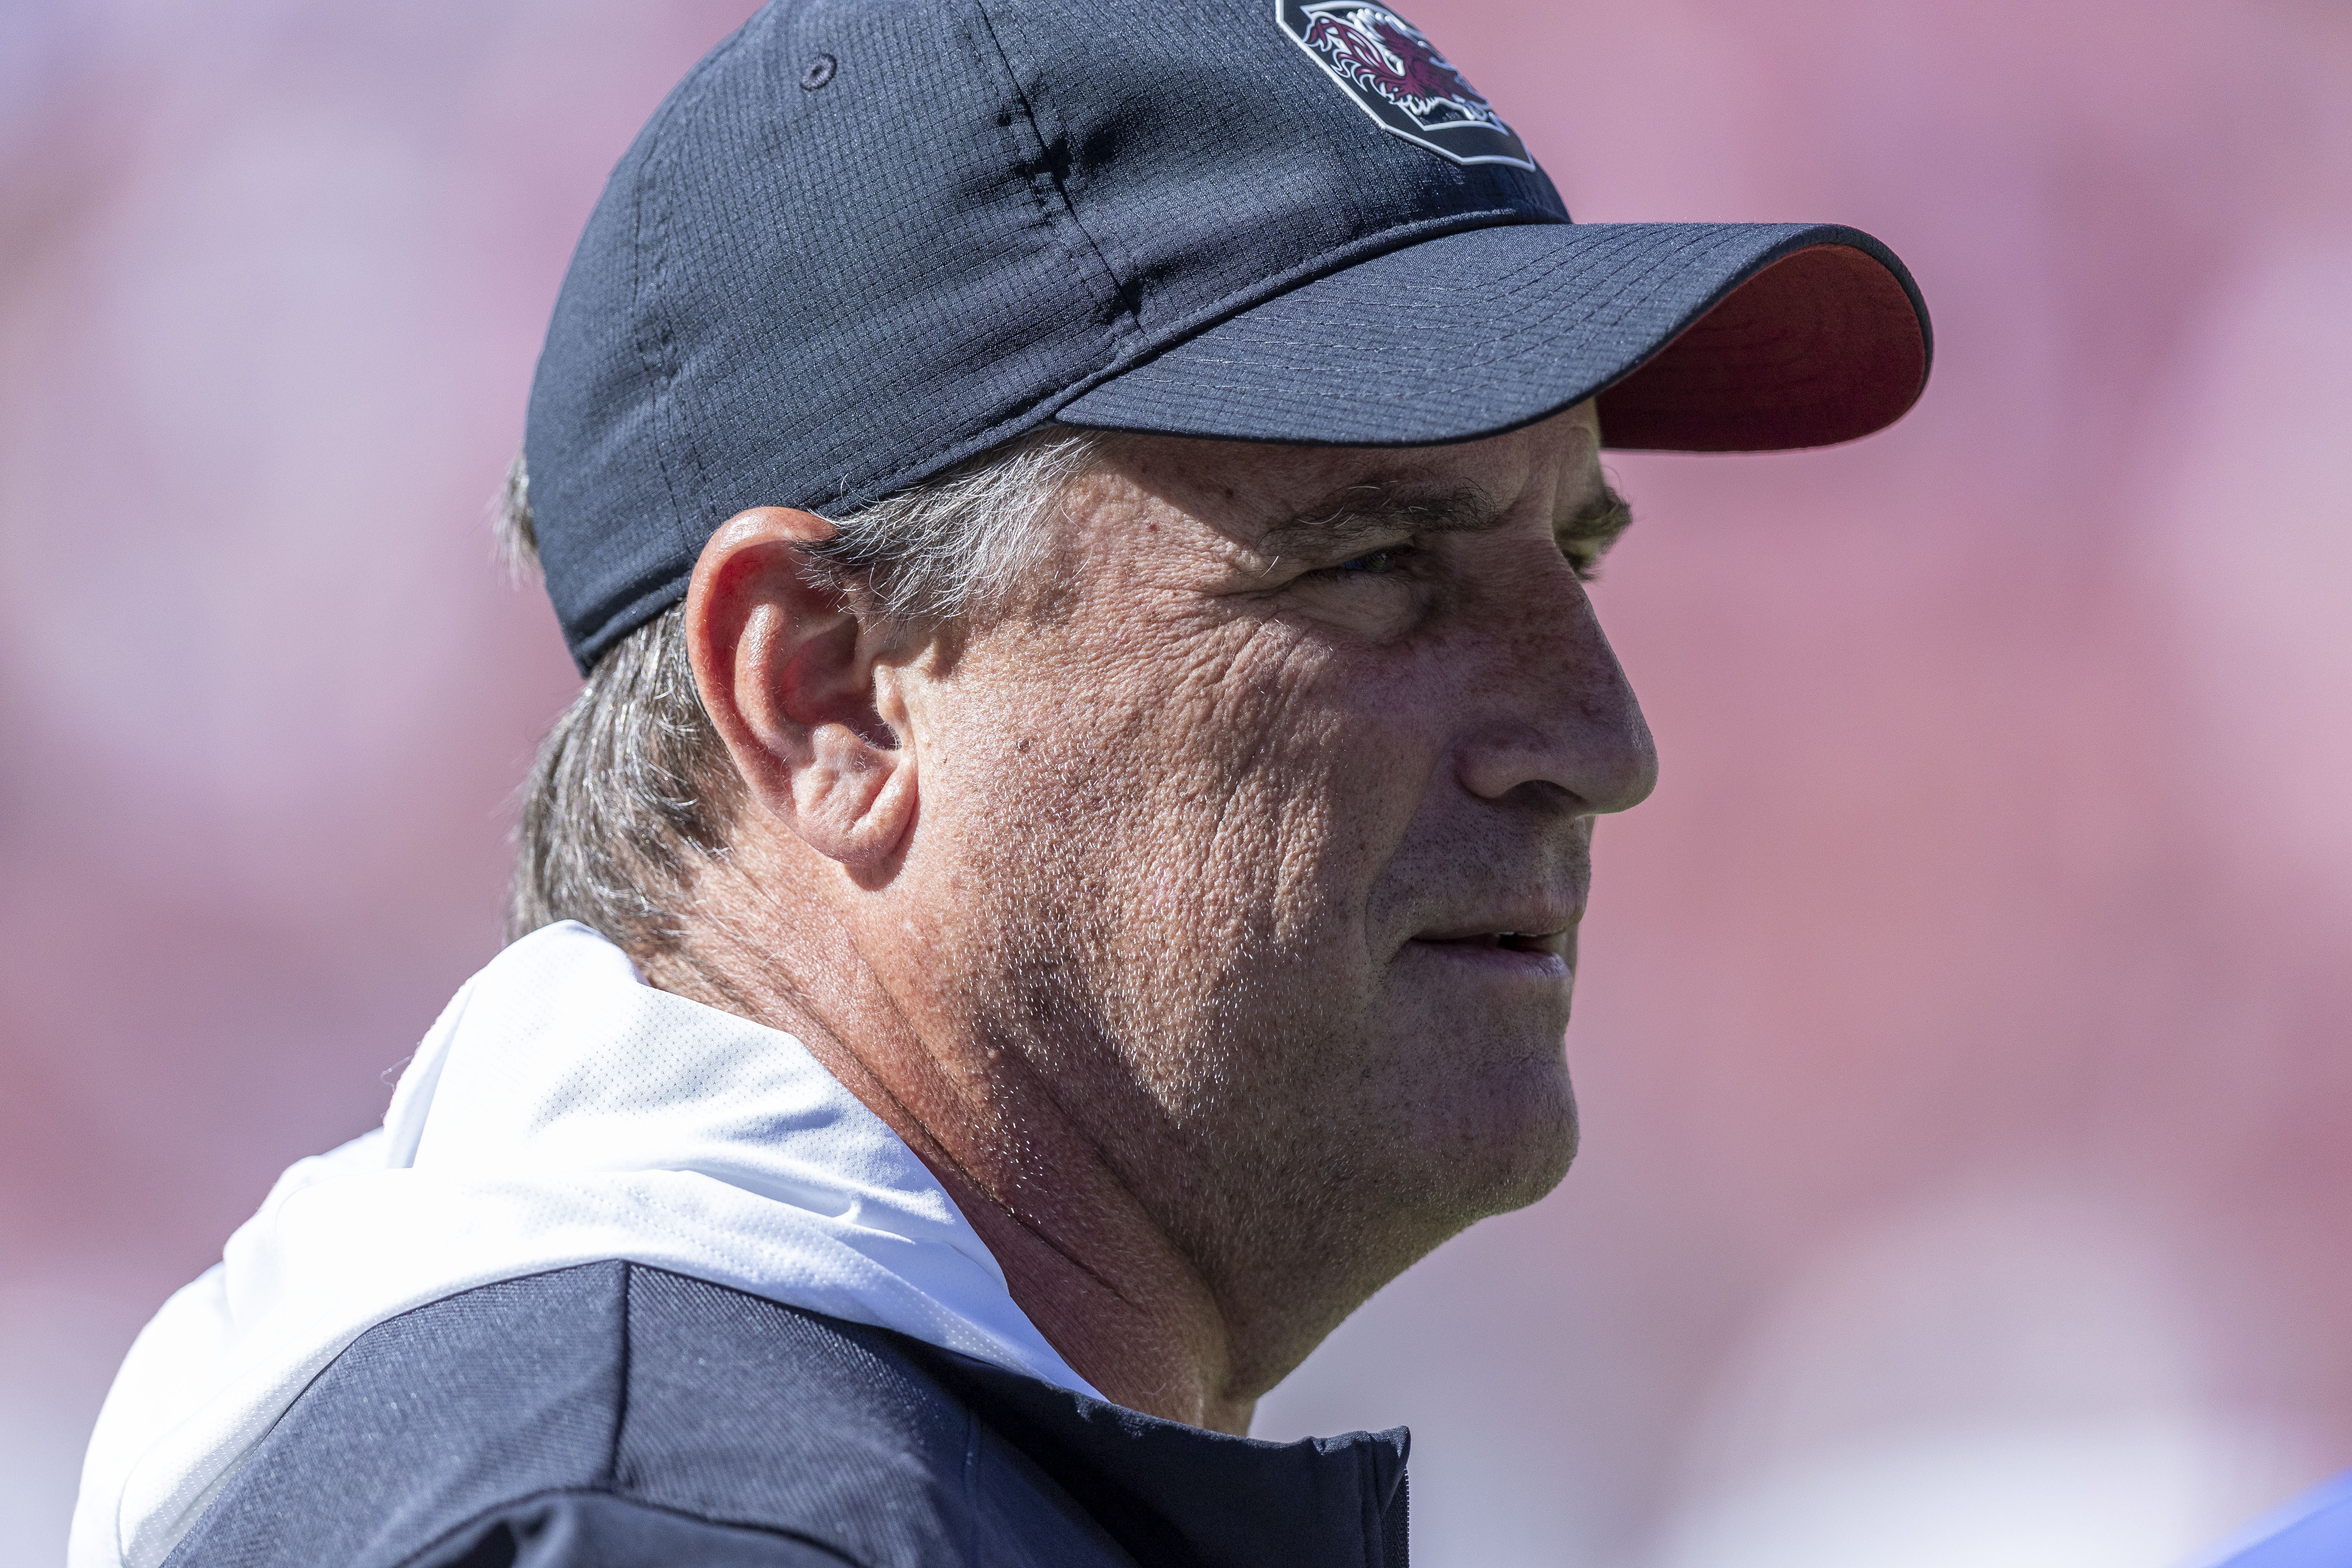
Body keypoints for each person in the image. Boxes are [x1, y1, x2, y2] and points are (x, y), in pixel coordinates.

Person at [70, 1, 1931, 1564]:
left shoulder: (688, 1461)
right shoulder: (668, 1523)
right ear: (828, 696)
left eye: (1576, 559)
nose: (1603, 741)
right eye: (1378, 559)